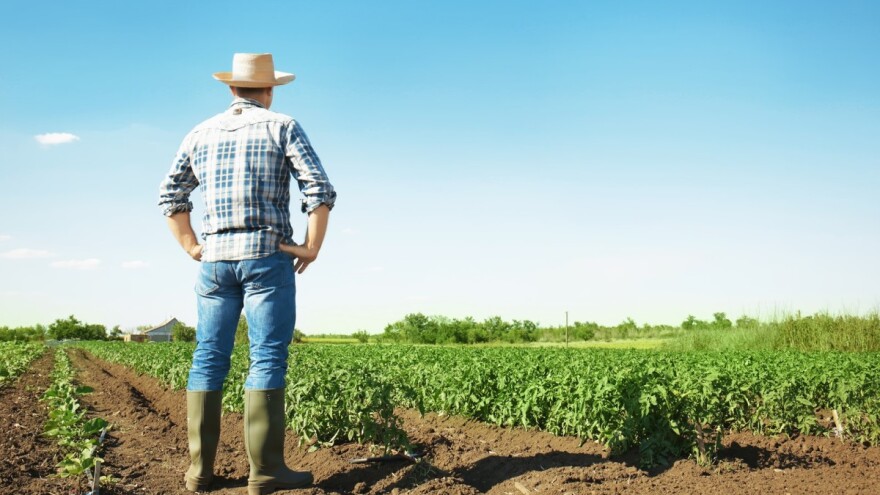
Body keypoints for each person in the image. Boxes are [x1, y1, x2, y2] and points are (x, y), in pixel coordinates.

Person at [158, 52, 336, 494]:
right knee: (267, 356)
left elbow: (170, 195)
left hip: (215, 261)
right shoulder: (283, 126)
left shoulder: (199, 132)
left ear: (231, 88)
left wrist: (192, 246)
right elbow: (319, 189)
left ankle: (200, 473)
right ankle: (267, 471)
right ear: (270, 89)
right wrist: (311, 247)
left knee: (208, 357)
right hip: (265, 254)